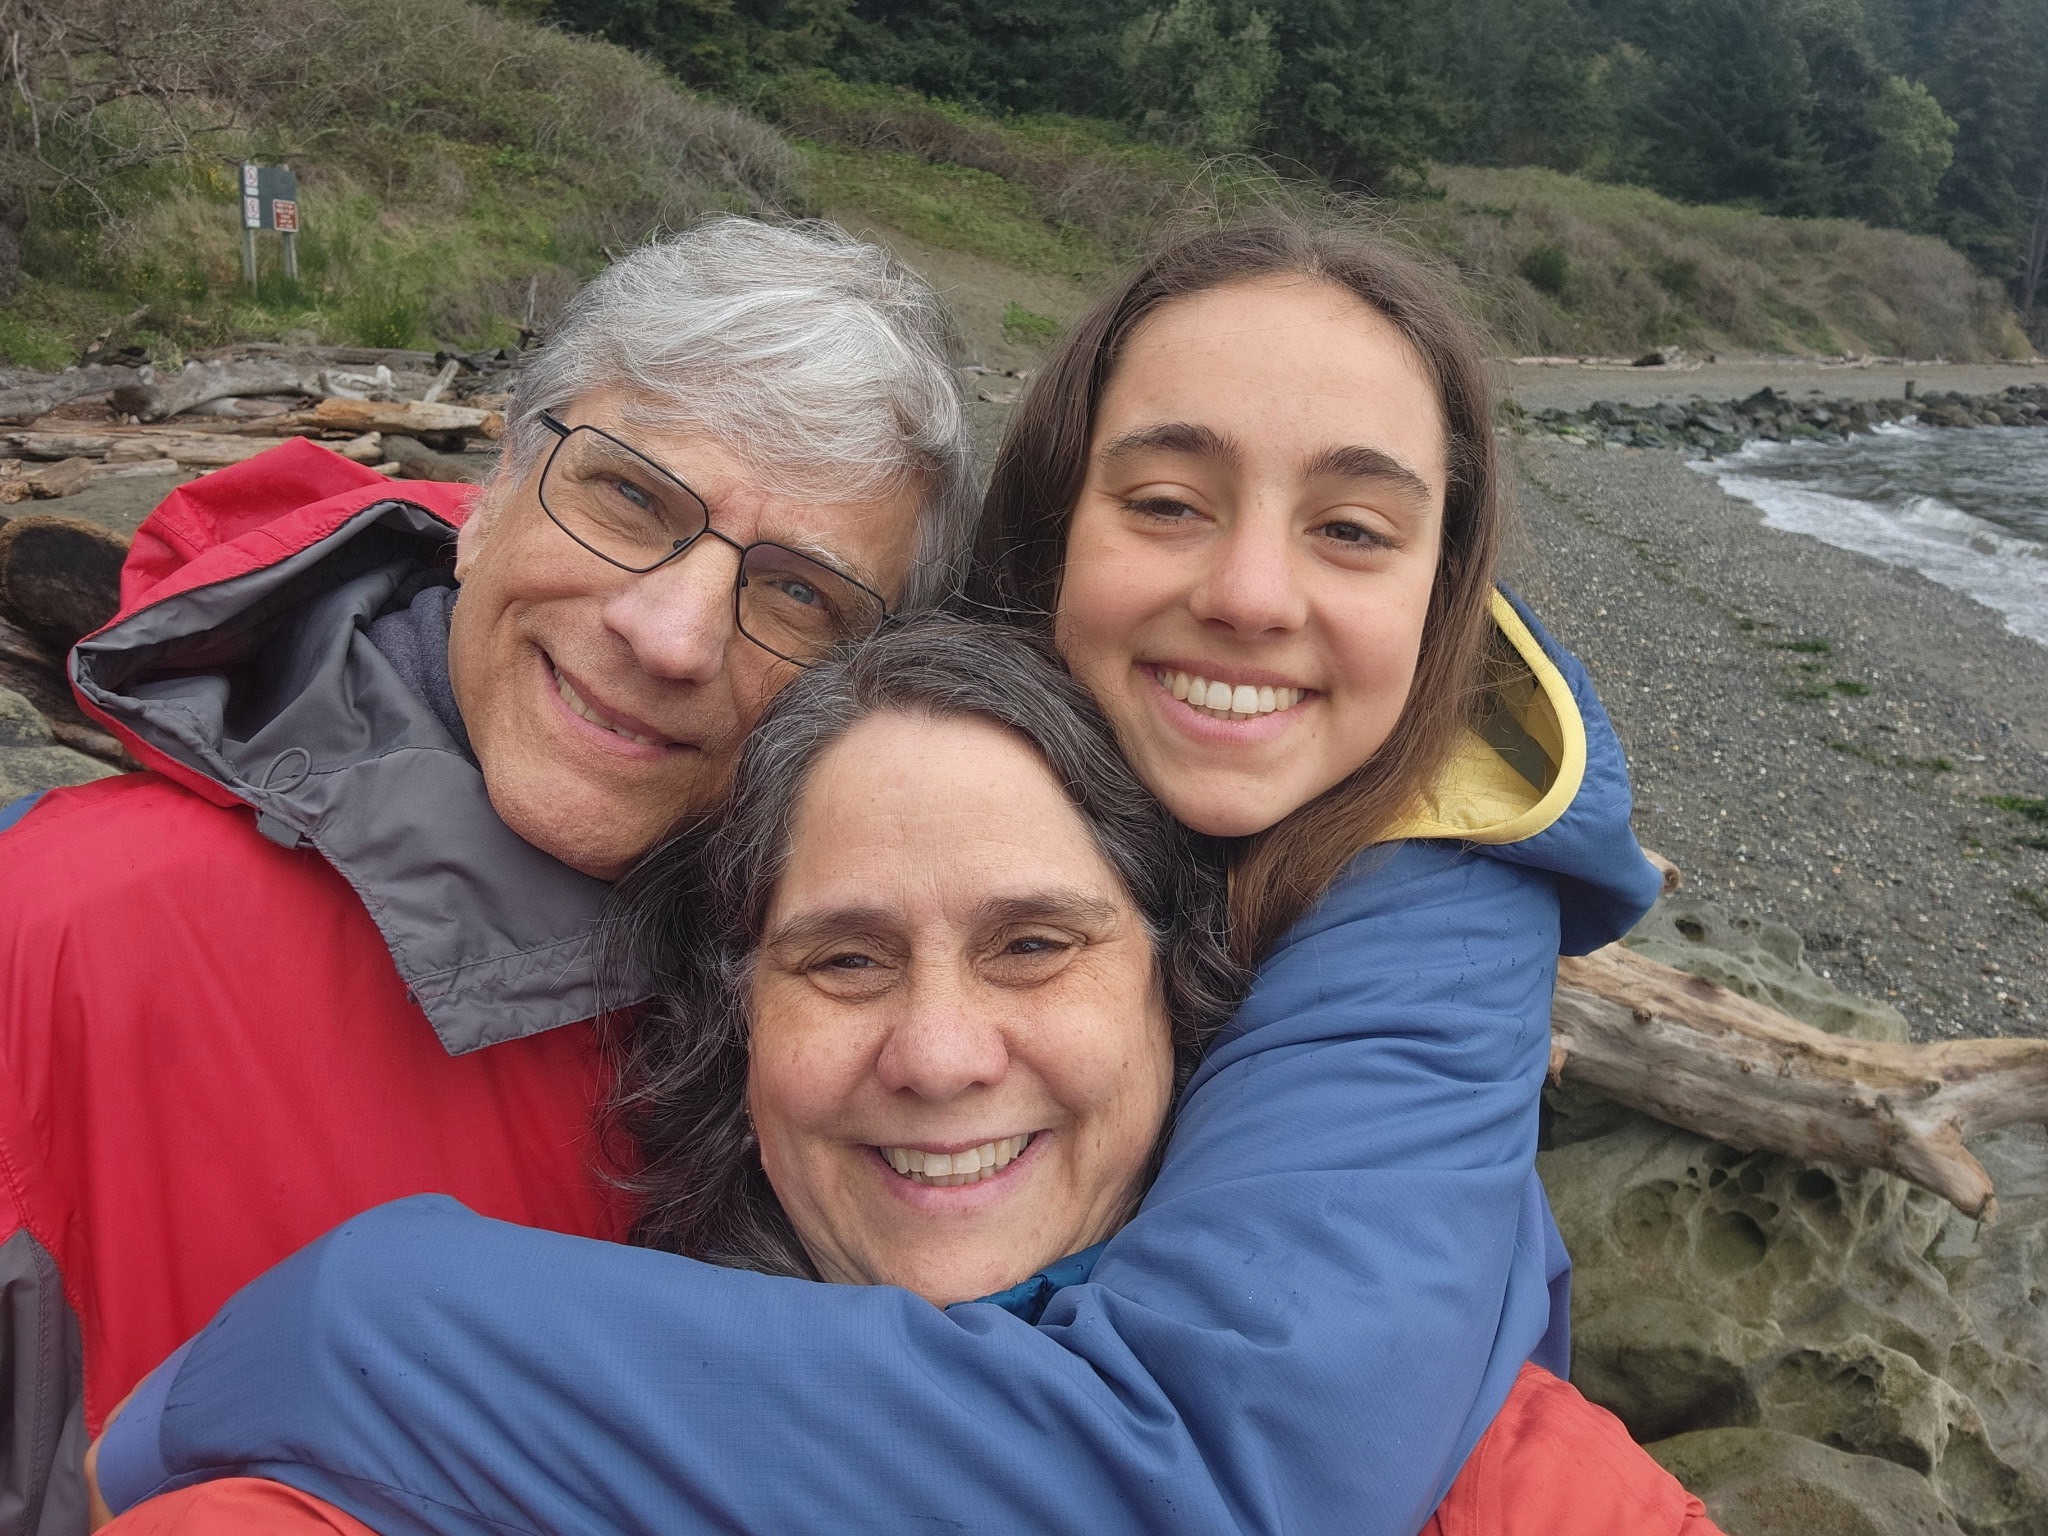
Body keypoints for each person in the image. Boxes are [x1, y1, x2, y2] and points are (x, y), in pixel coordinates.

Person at [84, 215, 1665, 1535]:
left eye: (1038, 946)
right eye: (1167, 503)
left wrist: (357, 1326)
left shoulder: (1431, 915)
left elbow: (1207, 1465)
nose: (1252, 592)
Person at [98, 622, 1715, 1535]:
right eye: (846, 961)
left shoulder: (1489, 1483)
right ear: (736, 1023)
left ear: (1180, 995)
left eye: (1035, 946)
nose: (940, 1056)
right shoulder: (431, 1484)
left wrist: (364, 1317)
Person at [0, 216, 975, 1533]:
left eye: (799, 594)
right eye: (630, 498)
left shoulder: (929, 1044)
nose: (671, 634)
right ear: (500, 481)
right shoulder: (53, 941)